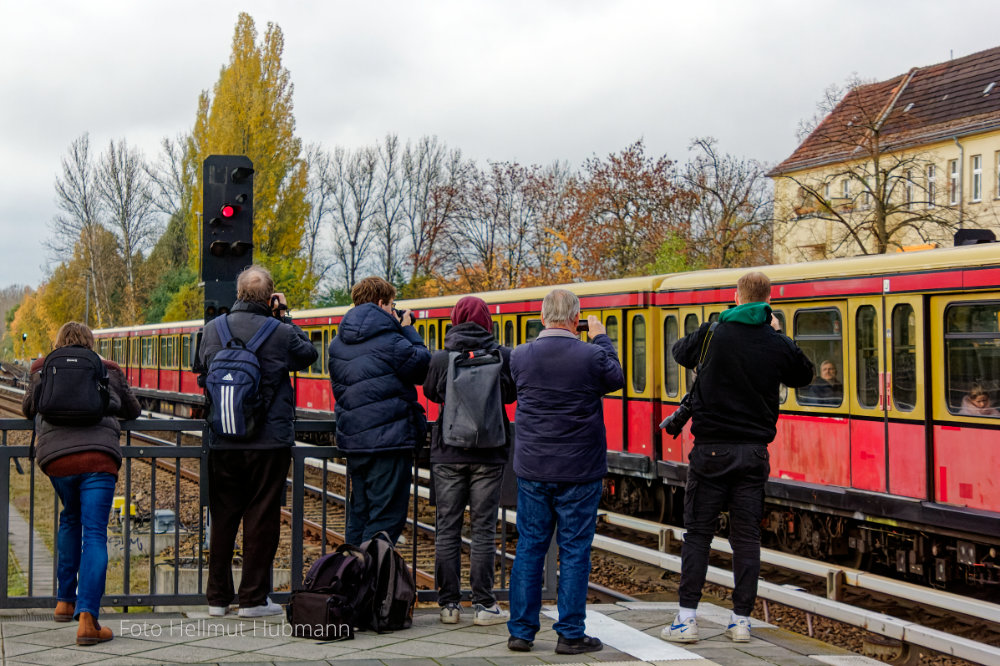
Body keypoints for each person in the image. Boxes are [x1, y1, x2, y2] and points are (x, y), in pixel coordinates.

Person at [661, 271, 814, 644]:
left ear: (736, 296)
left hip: (710, 452)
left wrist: (712, 327)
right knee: (746, 540)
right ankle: (741, 621)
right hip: (753, 454)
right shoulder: (774, 340)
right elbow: (804, 374)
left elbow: (679, 352)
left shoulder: (714, 331)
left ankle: (687, 619)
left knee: (698, 535)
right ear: (768, 300)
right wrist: (777, 333)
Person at [506, 289, 624, 656]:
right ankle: (570, 634)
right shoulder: (591, 355)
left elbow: (513, 393)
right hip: (579, 470)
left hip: (534, 469)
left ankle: (521, 633)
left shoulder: (520, 356)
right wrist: (601, 336)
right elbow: (616, 377)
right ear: (577, 320)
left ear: (542, 318)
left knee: (529, 548)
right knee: (574, 551)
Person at [196, 265, 318, 618]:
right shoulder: (279, 333)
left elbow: (201, 369)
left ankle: (217, 599)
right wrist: (286, 316)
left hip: (222, 438)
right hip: (268, 441)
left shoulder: (211, 330)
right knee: (261, 517)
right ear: (270, 297)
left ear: (237, 295)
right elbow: (307, 356)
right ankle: (253, 599)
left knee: (223, 517)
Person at [21, 321, 141, 646]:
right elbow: (134, 409)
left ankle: (64, 602)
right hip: (99, 460)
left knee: (70, 517)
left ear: (59, 342)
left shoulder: (41, 368)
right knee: (95, 534)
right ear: (90, 343)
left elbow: (28, 407)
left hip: (57, 461)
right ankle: (88, 619)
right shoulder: (107, 369)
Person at [423, 296, 516, 626]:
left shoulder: (442, 357)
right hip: (489, 453)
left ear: (455, 319)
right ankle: (484, 604)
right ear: (487, 321)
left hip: (448, 452)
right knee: (483, 530)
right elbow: (510, 395)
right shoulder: (502, 356)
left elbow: (432, 393)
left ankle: (448, 605)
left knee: (447, 529)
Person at [328, 276, 431, 546]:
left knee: (359, 516)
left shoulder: (337, 343)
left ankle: (351, 579)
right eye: (391, 305)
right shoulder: (392, 341)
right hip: (389, 441)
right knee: (384, 521)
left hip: (354, 443)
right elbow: (421, 367)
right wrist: (407, 329)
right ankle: (370, 584)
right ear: (381, 303)